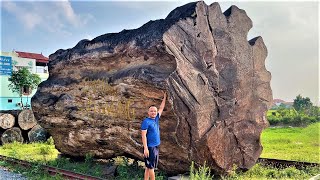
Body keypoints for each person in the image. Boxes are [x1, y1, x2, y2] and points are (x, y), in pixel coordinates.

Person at [141, 92, 166, 180]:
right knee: (151, 167)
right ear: (148, 112)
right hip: (150, 148)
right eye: (151, 111)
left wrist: (165, 97)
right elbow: (143, 136)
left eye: (155, 111)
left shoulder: (156, 118)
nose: (153, 112)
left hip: (156, 146)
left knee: (148, 166)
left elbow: (161, 108)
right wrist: (146, 148)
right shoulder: (146, 121)